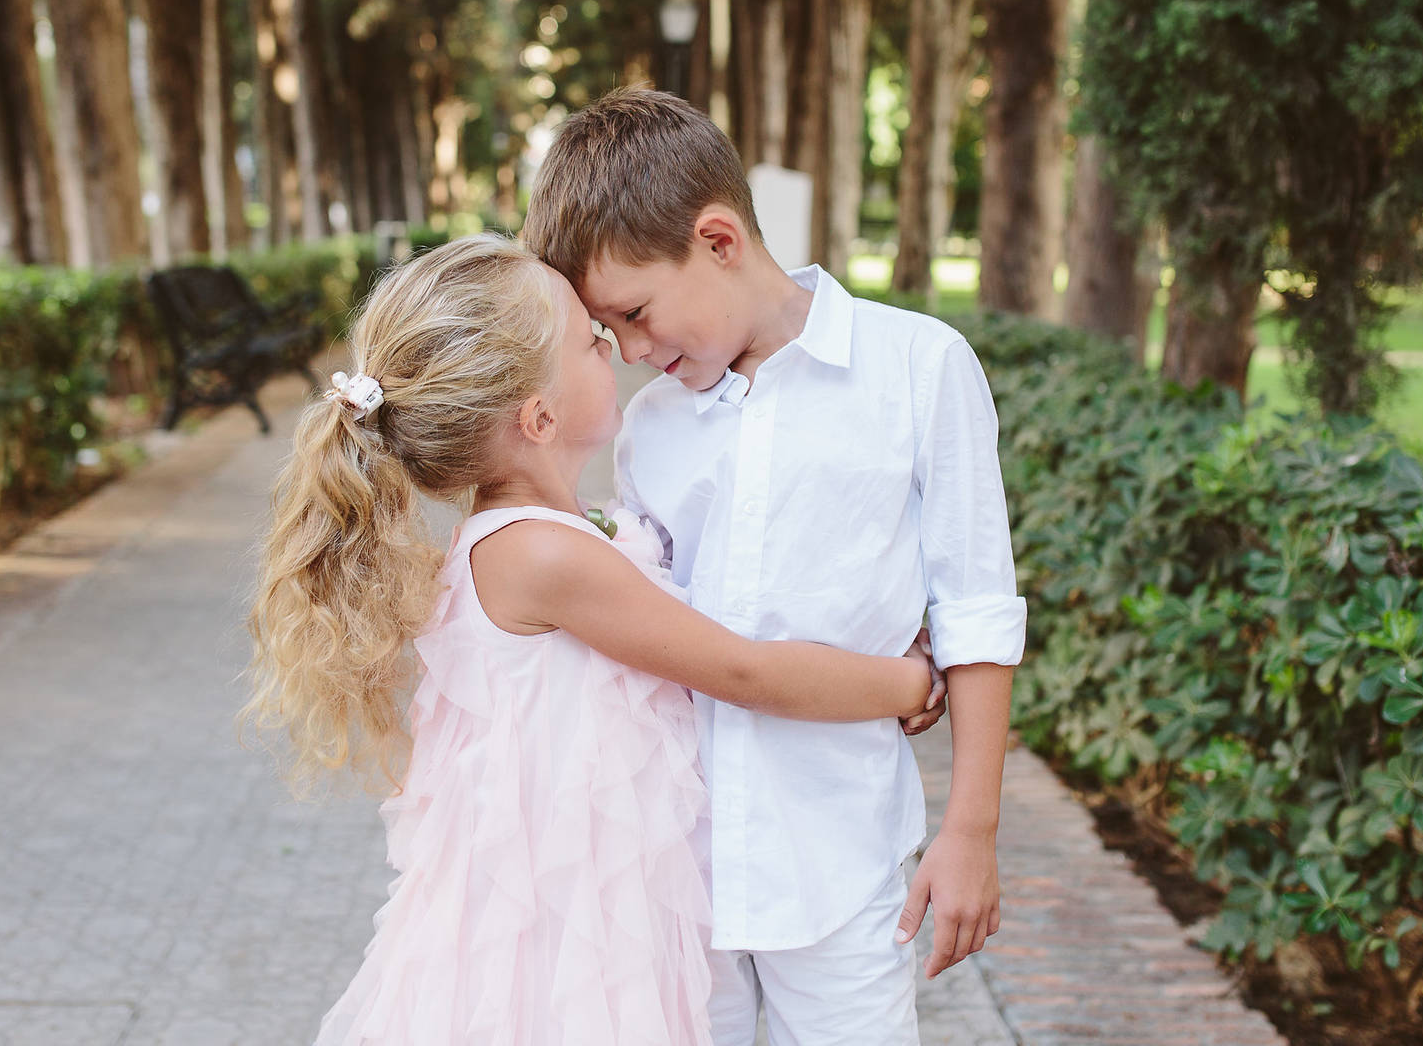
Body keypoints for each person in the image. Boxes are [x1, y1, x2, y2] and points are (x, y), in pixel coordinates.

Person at [241, 234, 942, 1046]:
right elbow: (739, 668)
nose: (614, 345)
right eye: (589, 340)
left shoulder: (545, 539)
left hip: (583, 910)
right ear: (539, 417)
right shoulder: (541, 555)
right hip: (564, 943)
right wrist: (912, 682)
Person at [523, 86, 1027, 1046]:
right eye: (607, 334)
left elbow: (977, 610)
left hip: (840, 860)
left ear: (718, 241)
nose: (630, 352)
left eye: (634, 313)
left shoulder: (920, 368)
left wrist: (971, 830)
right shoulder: (653, 429)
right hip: (674, 868)